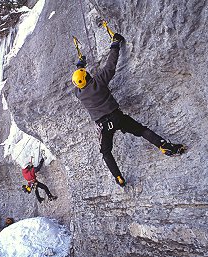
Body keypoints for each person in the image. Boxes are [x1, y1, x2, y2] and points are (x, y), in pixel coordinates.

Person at [71, 33, 185, 187]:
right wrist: (115, 44)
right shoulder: (99, 81)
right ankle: (164, 145)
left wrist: (80, 64)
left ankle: (119, 177)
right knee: (141, 130)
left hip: (104, 125)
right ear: (88, 76)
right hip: (117, 117)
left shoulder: (79, 94)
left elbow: (81, 80)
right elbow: (110, 65)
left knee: (106, 152)